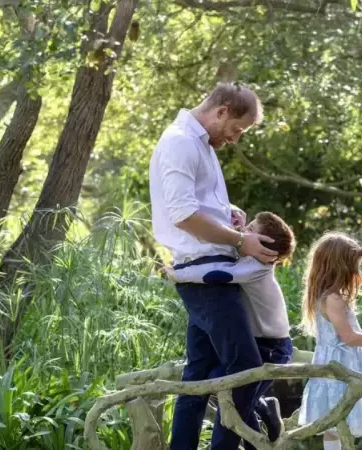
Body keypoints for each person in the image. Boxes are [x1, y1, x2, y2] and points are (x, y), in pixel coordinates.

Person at [149, 82, 278, 450]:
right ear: (221, 110)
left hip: (211, 269)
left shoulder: (200, 145)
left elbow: (198, 206)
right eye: (236, 129)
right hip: (205, 274)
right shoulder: (181, 142)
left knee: (199, 375)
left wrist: (228, 213)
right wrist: (242, 241)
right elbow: (184, 215)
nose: (235, 138)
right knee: (246, 369)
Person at [163, 211, 296, 444]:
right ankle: (264, 411)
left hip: (272, 347)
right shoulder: (249, 259)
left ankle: (263, 413)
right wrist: (239, 225)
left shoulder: (256, 268)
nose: (244, 234)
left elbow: (218, 274)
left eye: (252, 231)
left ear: (265, 249)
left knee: (232, 392)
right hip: (259, 340)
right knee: (231, 393)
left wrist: (179, 274)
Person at [297, 233, 362, 450]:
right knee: (336, 423)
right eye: (356, 266)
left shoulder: (334, 297)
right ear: (341, 267)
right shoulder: (333, 299)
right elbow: (349, 337)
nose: (360, 272)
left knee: (338, 424)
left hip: (343, 365)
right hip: (337, 369)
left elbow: (356, 338)